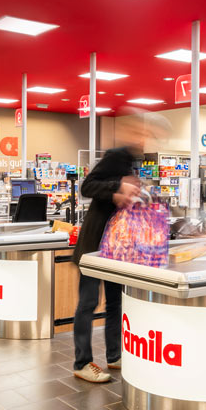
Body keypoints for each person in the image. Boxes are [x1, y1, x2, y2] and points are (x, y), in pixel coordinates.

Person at [71, 113, 168, 383]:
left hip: (117, 248)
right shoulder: (116, 155)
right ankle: (82, 362)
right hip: (95, 245)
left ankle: (115, 356)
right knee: (88, 303)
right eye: (142, 131)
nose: (145, 137)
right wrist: (116, 188)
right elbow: (87, 186)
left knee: (116, 302)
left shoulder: (131, 161)